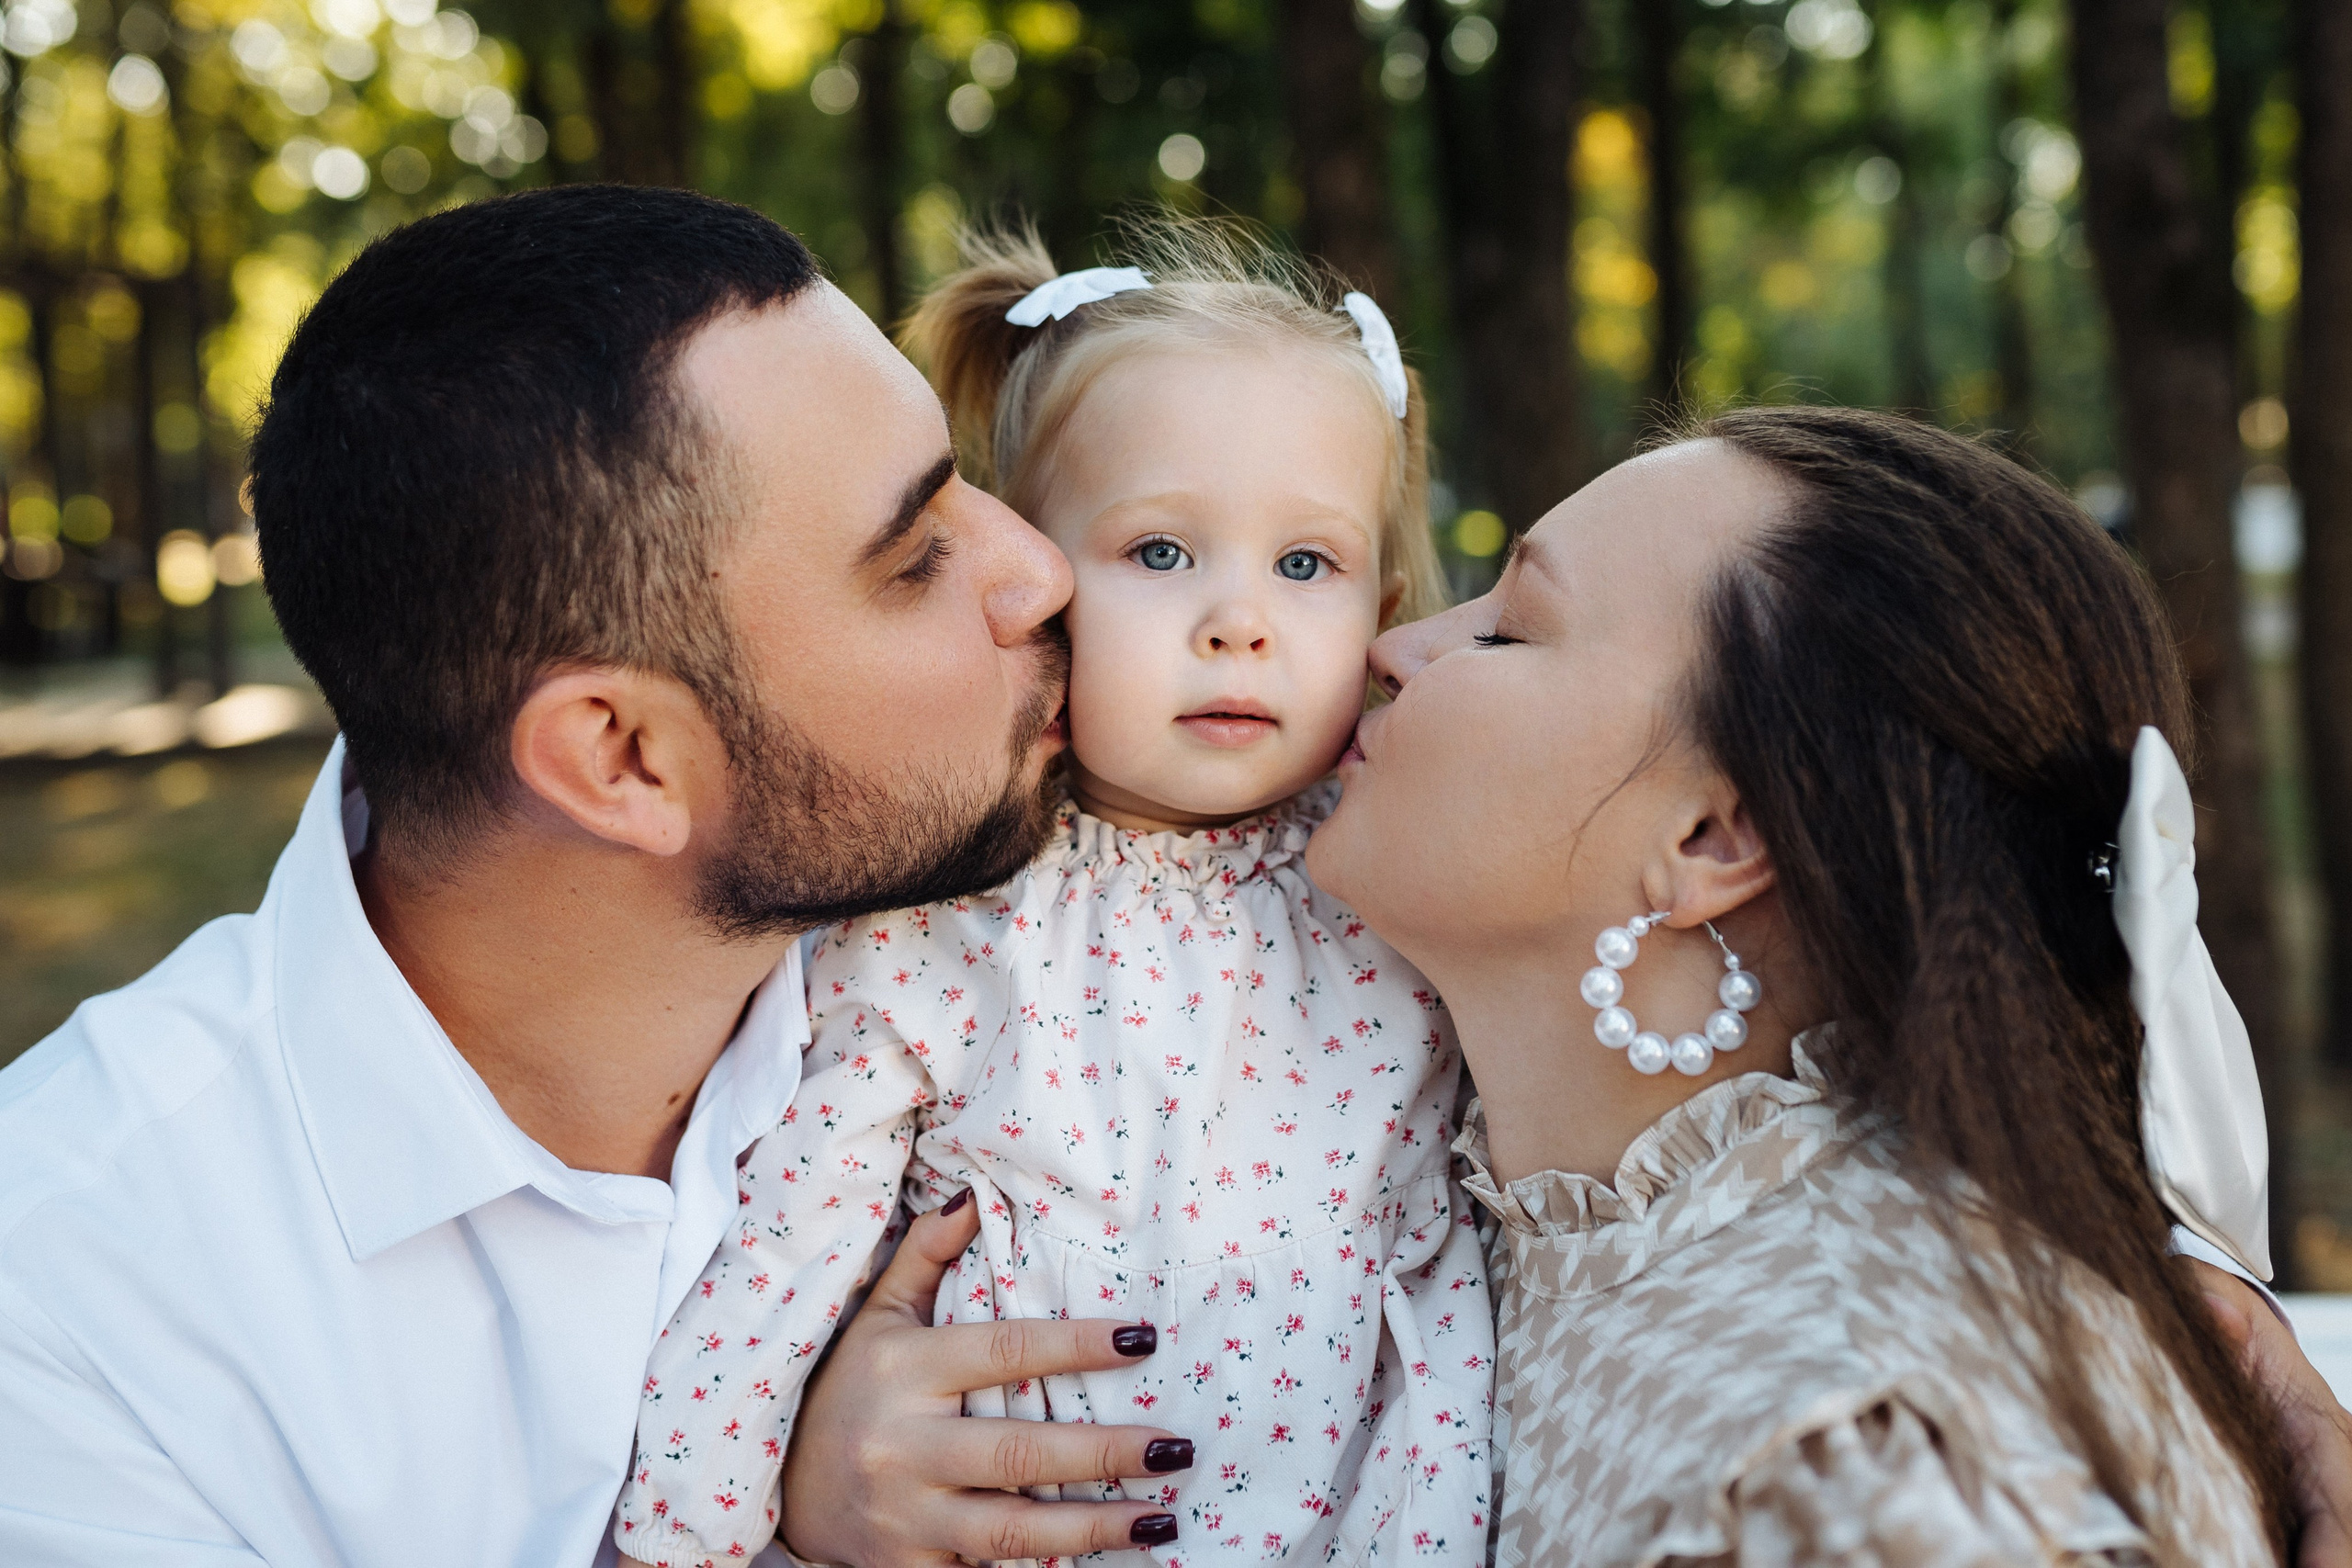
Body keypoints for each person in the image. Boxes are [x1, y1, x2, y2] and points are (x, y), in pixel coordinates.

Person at [0, 186, 1187, 1565]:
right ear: (621, 757)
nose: (1040, 568)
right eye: (917, 556)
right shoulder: (68, 1300)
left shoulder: (1066, 940)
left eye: (961, 479)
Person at [1300, 405, 2335, 1563]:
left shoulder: (1866, 1466)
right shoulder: (1501, 1180)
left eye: (1507, 632)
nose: (1395, 646)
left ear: (1712, 839)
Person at [615, 221, 1491, 1568]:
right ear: (1034, 579)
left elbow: (1474, 1243)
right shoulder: (946, 912)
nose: (1240, 621)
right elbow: (795, 1229)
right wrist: (693, 1522)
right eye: (1162, 552)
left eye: (1306, 564)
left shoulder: (1406, 884)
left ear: (1383, 598)